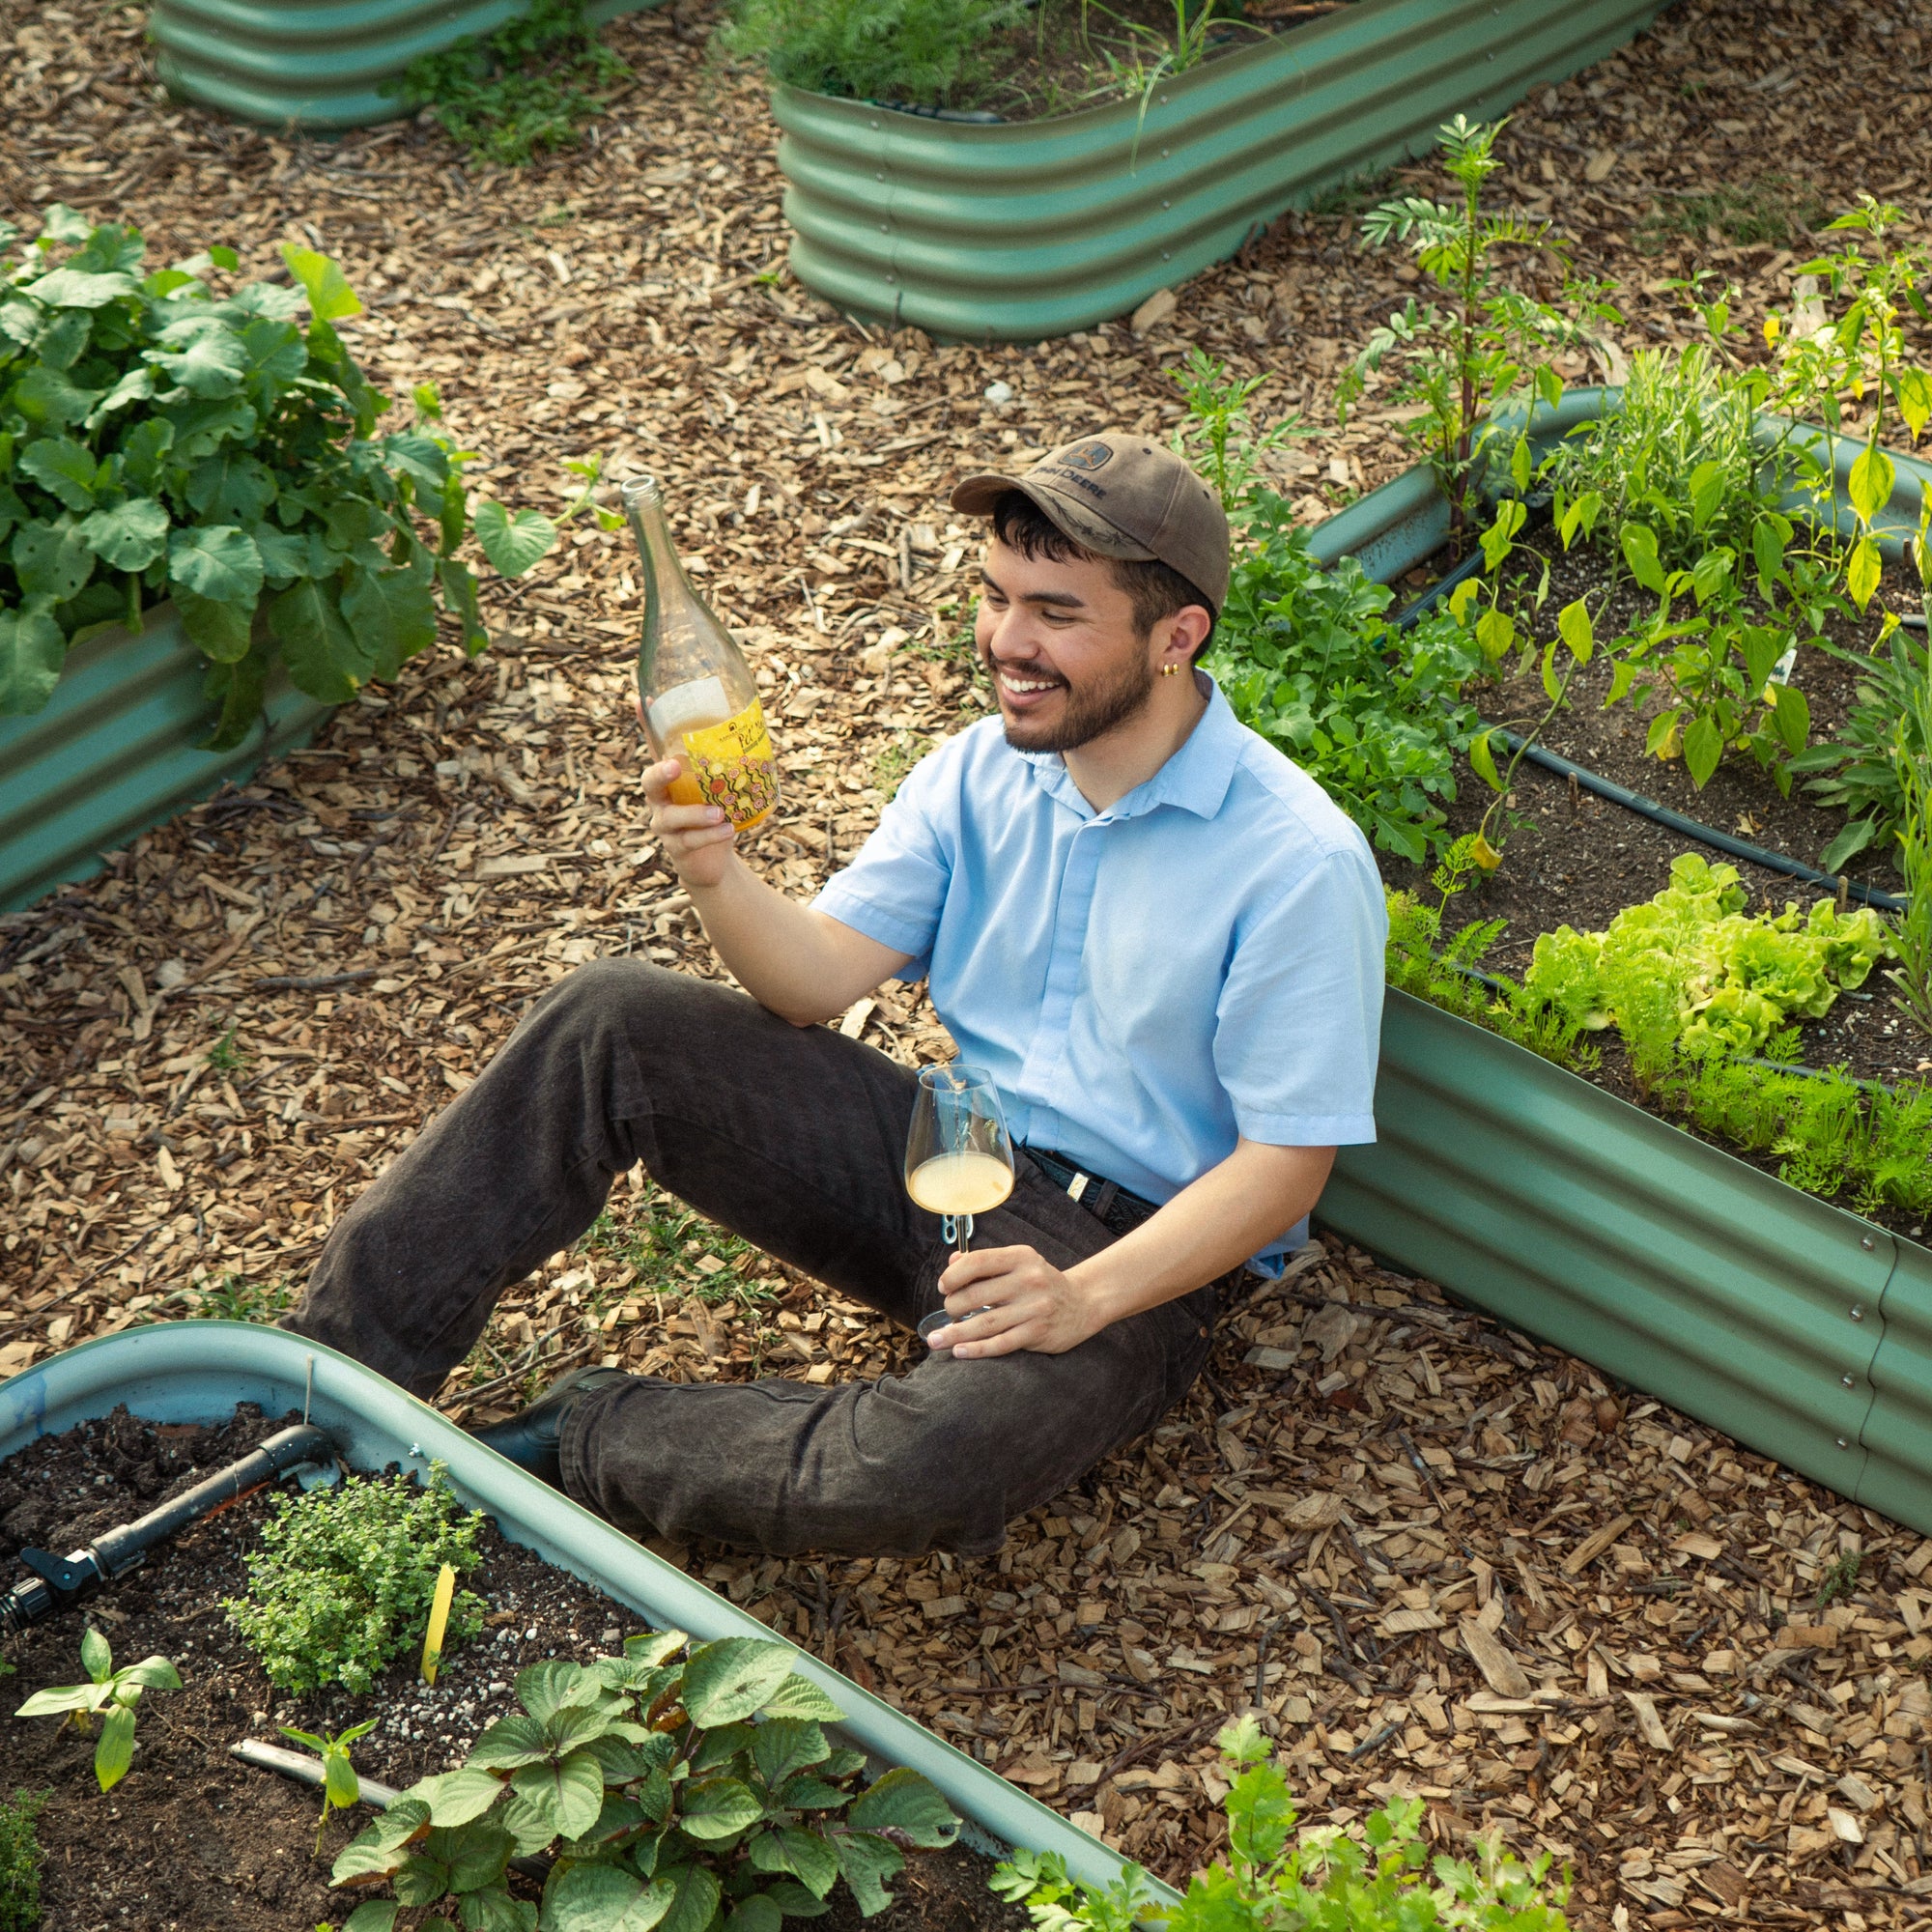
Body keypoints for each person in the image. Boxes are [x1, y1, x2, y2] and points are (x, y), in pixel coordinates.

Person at [283, 433, 1387, 1558]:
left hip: (1129, 1256)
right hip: (951, 1154)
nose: (1006, 641)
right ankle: (314, 1394)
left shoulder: (1294, 860)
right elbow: (811, 981)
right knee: (608, 1018)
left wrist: (1085, 1297)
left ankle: (573, 1437)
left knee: (923, 1467)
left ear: (1174, 637)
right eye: (996, 597)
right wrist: (712, 871)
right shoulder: (977, 769)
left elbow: (1284, 1162)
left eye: (1055, 612)